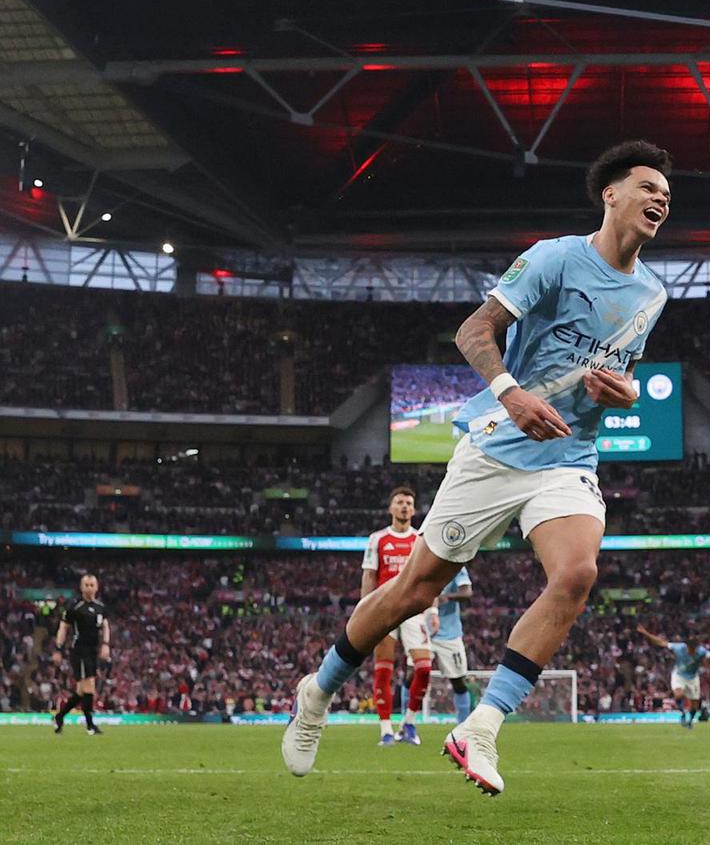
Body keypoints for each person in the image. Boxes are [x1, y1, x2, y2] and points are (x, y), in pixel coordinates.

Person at [282, 140, 673, 795]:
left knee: (577, 574)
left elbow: (625, 375)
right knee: (414, 591)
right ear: (611, 194)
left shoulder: (653, 294)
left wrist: (627, 394)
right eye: (648, 187)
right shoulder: (554, 258)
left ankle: (481, 728)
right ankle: (317, 691)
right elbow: (474, 331)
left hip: (568, 456)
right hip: (496, 445)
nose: (660, 198)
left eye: (666, 194)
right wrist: (511, 394)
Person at [360, 486, 438, 747]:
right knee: (384, 669)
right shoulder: (378, 539)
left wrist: (433, 610)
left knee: (424, 668)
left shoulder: (421, 540)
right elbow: (369, 575)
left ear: (413, 510)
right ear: (390, 508)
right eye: (400, 502)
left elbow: (430, 579)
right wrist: (365, 609)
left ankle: (409, 724)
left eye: (408, 503)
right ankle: (385, 730)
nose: (404, 506)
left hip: (414, 610)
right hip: (384, 609)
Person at [636, 625, 710, 729]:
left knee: (694, 704)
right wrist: (645, 633)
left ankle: (690, 721)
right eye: (691, 649)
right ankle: (683, 713)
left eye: (694, 649)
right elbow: (661, 642)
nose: (692, 651)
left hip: (693, 678)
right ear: (687, 646)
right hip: (679, 675)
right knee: (678, 694)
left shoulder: (701, 651)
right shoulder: (679, 647)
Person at [52, 574, 110, 735]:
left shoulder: (100, 607)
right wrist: (58, 648)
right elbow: (63, 628)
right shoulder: (75, 606)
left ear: (97, 587)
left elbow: (106, 626)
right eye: (86, 585)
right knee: (89, 686)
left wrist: (106, 644)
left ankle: (59, 717)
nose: (89, 588)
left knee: (80, 691)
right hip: (79, 650)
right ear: (81, 587)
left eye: (92, 585)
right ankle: (90, 725)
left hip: (93, 651)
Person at [422, 568, 474, 727]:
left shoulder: (456, 565)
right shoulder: (422, 561)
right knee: (413, 674)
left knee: (458, 681)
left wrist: (446, 597)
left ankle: (463, 726)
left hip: (449, 635)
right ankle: (406, 725)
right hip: (422, 630)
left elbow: (467, 593)